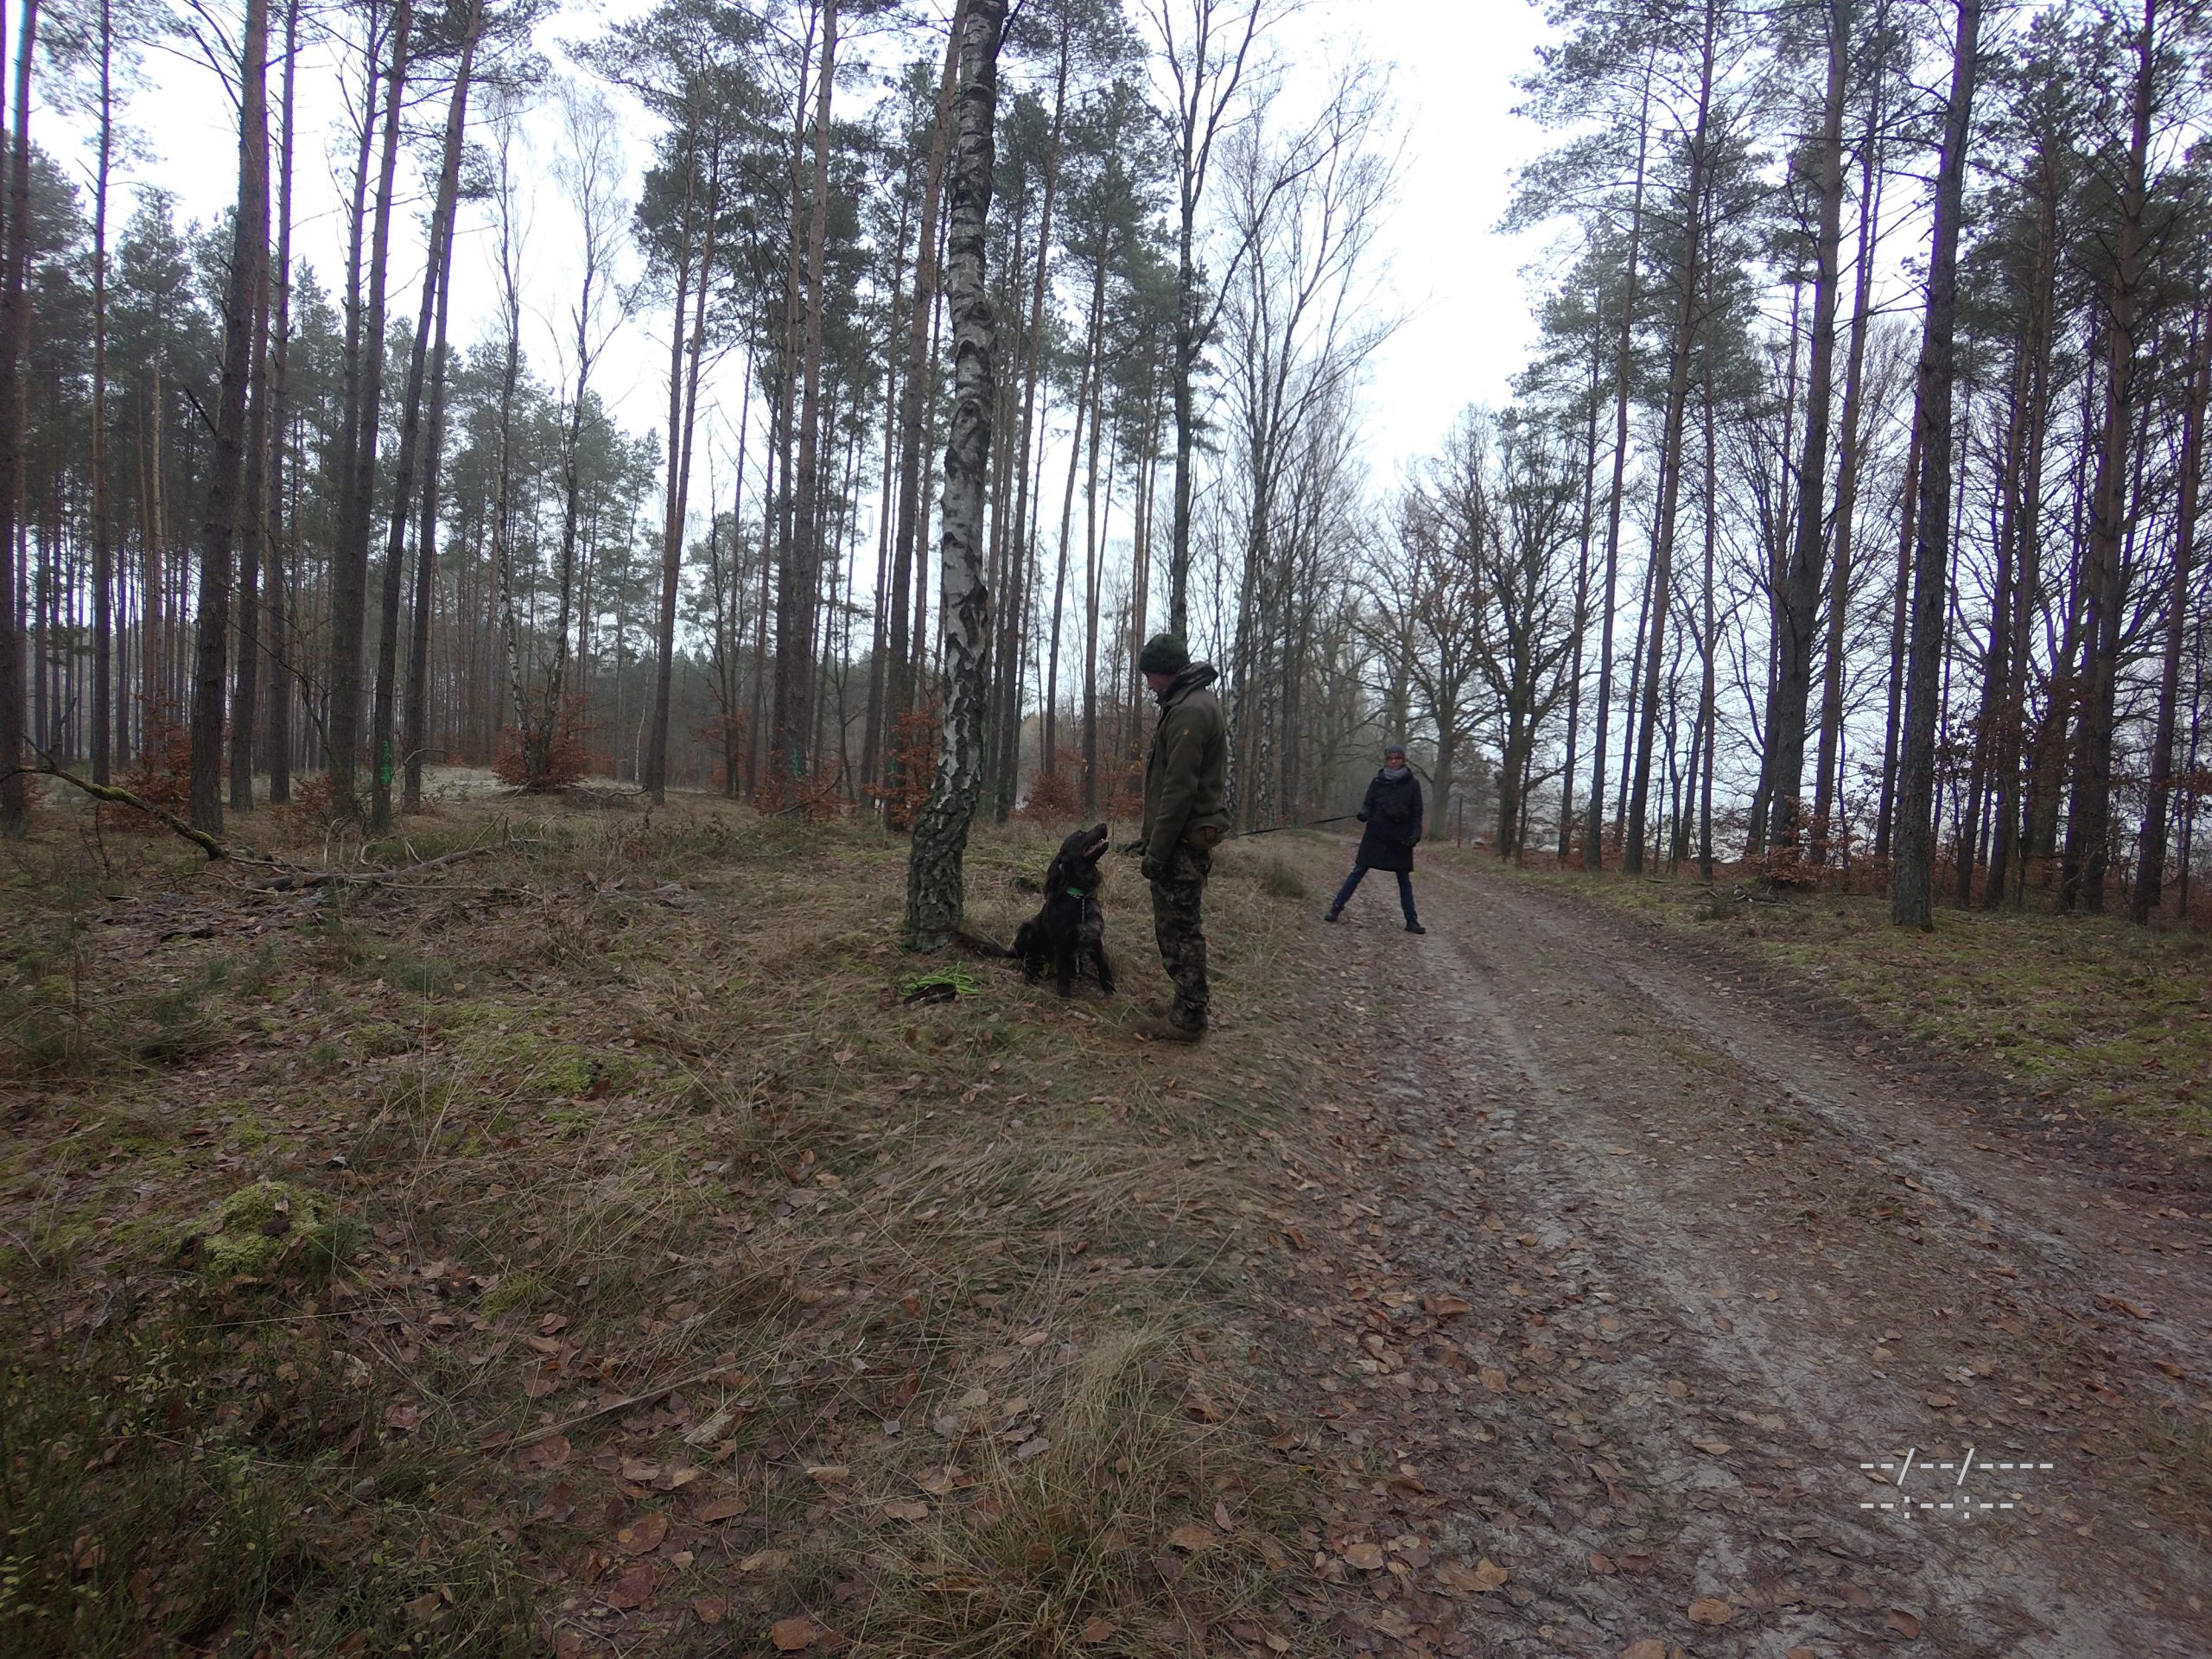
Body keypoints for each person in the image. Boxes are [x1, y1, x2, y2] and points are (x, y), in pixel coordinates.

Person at [1132, 632, 1229, 1041]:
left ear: (1165, 672)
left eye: (1150, 676)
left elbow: (1179, 791)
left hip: (1182, 844)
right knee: (1179, 926)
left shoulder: (1189, 711)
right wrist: (1148, 838)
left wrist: (1157, 851)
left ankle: (1189, 1018)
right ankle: (1185, 1004)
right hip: (1182, 837)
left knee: (1179, 929)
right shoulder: (1188, 704)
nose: (1148, 684)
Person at [1326, 742, 1426, 932]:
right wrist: (1364, 813)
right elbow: (1368, 803)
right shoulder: (1378, 782)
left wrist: (1415, 834)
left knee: (1404, 880)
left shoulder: (1413, 784)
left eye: (1397, 758)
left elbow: (1417, 812)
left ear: (1403, 760)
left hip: (1400, 838)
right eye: (1391, 758)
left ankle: (1411, 920)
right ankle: (1335, 908)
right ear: (1386, 760)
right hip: (1376, 835)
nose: (1394, 761)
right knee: (1358, 872)